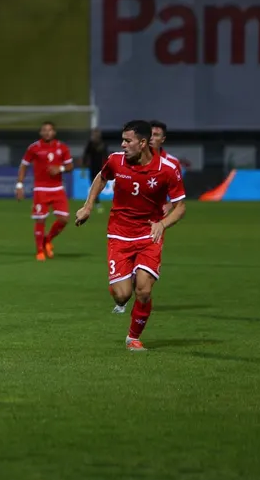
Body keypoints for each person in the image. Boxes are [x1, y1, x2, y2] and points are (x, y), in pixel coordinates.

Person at [75, 120, 187, 351]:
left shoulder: (167, 168)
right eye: (123, 140)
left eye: (128, 141)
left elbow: (180, 207)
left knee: (143, 290)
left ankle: (133, 338)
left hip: (149, 234)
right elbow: (102, 177)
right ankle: (124, 284)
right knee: (122, 296)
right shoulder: (116, 160)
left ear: (143, 143)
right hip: (119, 234)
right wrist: (88, 206)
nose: (123, 145)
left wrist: (163, 224)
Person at [15, 121, 73, 261]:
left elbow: (70, 166)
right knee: (40, 219)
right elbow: (24, 166)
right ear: (41, 132)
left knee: (64, 219)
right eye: (44, 130)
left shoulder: (62, 147)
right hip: (40, 189)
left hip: (57, 188)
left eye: (50, 130)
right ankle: (40, 251)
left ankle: (47, 239)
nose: (47, 132)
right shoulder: (34, 148)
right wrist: (19, 185)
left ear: (54, 132)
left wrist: (60, 168)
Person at [149, 120, 186, 216]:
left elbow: (178, 193)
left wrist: (169, 205)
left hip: (157, 214)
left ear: (163, 139)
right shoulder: (133, 159)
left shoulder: (172, 163)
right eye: (149, 134)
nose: (151, 138)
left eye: (156, 135)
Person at [82, 128, 108, 213]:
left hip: (101, 169)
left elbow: (106, 156)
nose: (96, 135)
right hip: (92, 168)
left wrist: (107, 166)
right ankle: (95, 202)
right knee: (93, 185)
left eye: (97, 134)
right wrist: (83, 168)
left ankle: (95, 202)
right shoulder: (90, 144)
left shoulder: (103, 144)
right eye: (94, 134)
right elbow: (86, 155)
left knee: (99, 186)